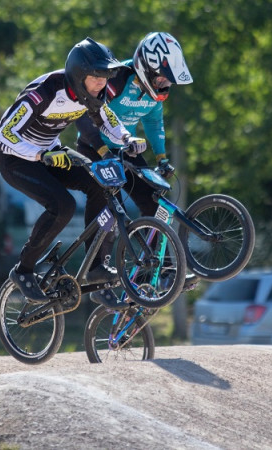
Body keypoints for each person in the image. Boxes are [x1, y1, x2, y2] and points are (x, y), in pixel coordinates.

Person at [0, 37, 147, 307]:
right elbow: (3, 134)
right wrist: (40, 154)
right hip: (17, 160)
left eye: (107, 76)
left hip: (51, 155)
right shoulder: (45, 91)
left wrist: (126, 139)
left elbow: (107, 118)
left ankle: (96, 265)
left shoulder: (89, 96)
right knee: (62, 205)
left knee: (102, 185)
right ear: (79, 76)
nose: (103, 83)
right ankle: (23, 270)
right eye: (97, 76)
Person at [74, 31, 197, 291]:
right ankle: (98, 276)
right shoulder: (117, 78)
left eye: (170, 80)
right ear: (146, 67)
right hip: (95, 146)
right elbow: (91, 110)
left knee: (155, 199)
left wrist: (161, 157)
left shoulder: (154, 93)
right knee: (111, 208)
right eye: (163, 76)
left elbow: (153, 122)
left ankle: (154, 272)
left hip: (126, 148)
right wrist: (105, 147)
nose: (166, 84)